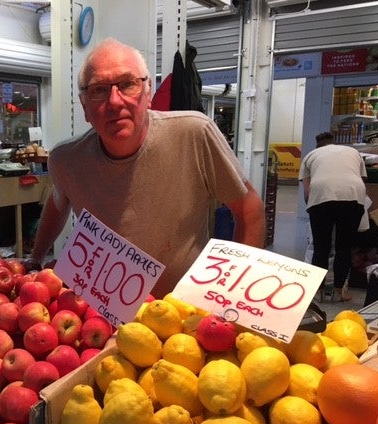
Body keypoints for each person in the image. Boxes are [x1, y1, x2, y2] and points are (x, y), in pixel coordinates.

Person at [27, 38, 265, 298]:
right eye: (99, 90)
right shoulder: (66, 158)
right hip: (100, 315)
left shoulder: (194, 134)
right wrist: (35, 258)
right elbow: (59, 202)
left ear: (148, 93)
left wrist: (235, 293)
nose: (115, 101)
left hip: (182, 319)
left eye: (128, 84)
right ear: (84, 105)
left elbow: (249, 209)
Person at [299, 131, 367, 302]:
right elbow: (361, 180)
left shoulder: (310, 155)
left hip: (321, 198)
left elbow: (307, 192)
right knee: (344, 247)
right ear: (334, 142)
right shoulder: (353, 152)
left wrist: (313, 208)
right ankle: (340, 291)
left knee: (321, 247)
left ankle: (318, 291)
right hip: (353, 197)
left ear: (318, 145)